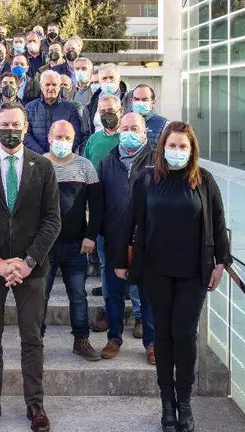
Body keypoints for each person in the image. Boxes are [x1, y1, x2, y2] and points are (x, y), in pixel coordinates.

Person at [115, 121, 231, 432]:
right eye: (172, 145)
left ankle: (186, 401)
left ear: (192, 150)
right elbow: (130, 220)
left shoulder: (203, 181)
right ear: (162, 147)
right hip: (156, 271)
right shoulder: (146, 180)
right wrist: (119, 260)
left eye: (183, 146)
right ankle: (167, 404)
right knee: (163, 336)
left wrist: (222, 262)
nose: (176, 151)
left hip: (193, 273)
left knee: (186, 335)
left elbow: (218, 223)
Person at [0, 102, 61, 432]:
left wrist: (28, 260)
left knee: (32, 339)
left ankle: (35, 404)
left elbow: (52, 220)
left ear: (25, 126)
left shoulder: (43, 167)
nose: (10, 130)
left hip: (31, 268)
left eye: (15, 124)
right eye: (4, 124)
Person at [40, 120, 103, 362]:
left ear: (75, 139)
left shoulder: (85, 166)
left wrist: (90, 236)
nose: (62, 142)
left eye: (67, 138)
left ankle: (81, 340)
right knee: (40, 295)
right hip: (44, 246)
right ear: (49, 137)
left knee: (78, 295)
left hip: (77, 245)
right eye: (59, 136)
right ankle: (37, 342)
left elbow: (96, 206)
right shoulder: (38, 164)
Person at [97, 112, 156, 363]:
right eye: (126, 128)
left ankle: (152, 343)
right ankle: (114, 338)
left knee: (149, 295)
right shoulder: (107, 162)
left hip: (149, 241)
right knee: (113, 292)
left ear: (145, 132)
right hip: (114, 239)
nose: (130, 133)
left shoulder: (158, 161)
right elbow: (98, 202)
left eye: (135, 128)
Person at [82, 94, 123, 330]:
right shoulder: (93, 140)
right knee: (106, 265)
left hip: (127, 214)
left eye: (111, 110)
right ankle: (109, 312)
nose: (107, 114)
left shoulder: (128, 138)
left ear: (120, 110)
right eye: (103, 110)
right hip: (101, 214)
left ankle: (139, 314)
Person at [24, 70, 83, 154]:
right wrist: (42, 154)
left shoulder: (70, 108)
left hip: (63, 157)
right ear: (41, 86)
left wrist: (61, 152)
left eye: (54, 85)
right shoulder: (30, 107)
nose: (51, 88)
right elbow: (26, 134)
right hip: (37, 158)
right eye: (47, 84)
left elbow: (76, 135)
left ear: (59, 87)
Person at [87, 63, 130, 133]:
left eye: (111, 77)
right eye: (104, 78)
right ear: (100, 82)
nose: (108, 81)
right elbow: (87, 131)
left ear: (119, 80)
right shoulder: (92, 102)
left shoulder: (130, 97)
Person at [59, 73, 91, 148]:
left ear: (70, 88)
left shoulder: (76, 105)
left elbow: (81, 128)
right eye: (60, 84)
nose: (62, 87)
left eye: (65, 85)